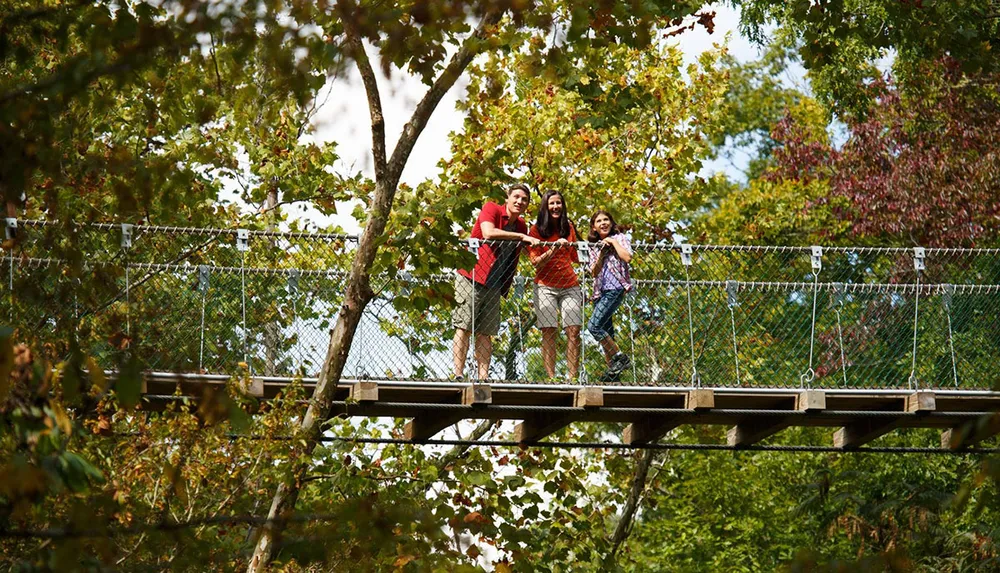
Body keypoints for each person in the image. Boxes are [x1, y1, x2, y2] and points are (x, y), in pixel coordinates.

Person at [452, 184, 540, 381]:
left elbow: (529, 252)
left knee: (486, 332)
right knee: (464, 326)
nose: (519, 201)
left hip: (495, 282)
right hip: (472, 276)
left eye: (524, 199)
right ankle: (457, 374)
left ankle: (483, 377)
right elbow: (488, 233)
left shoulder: (521, 225)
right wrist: (521, 236)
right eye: (516, 197)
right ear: (507, 198)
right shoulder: (491, 208)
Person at [527, 191, 583, 381]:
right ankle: (552, 378)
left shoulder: (568, 227)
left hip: (570, 285)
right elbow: (535, 262)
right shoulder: (535, 230)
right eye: (552, 203)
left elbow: (576, 257)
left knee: (573, 331)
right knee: (549, 330)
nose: (556, 206)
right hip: (545, 286)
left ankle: (572, 377)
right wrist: (553, 249)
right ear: (545, 207)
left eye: (559, 203)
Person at [587, 210, 633, 382]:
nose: (603, 223)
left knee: (593, 326)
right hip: (599, 291)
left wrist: (613, 242)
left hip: (615, 288)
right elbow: (593, 271)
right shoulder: (593, 246)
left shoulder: (620, 238)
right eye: (599, 221)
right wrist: (601, 254)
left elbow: (627, 257)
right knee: (607, 332)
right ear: (594, 227)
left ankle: (621, 358)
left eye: (606, 220)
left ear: (611, 223)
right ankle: (613, 373)